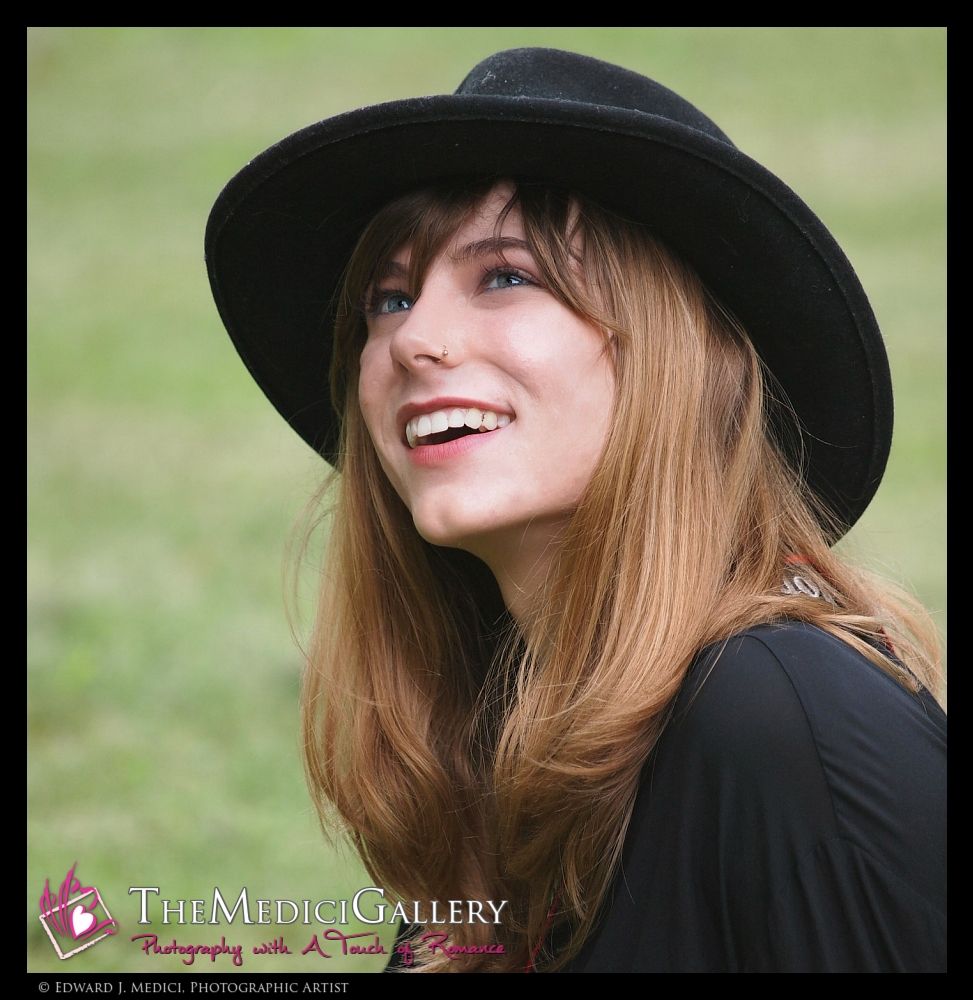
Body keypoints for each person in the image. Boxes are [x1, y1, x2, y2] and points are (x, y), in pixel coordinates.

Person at [205, 48, 946, 973]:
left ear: (679, 358)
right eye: (387, 300)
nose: (412, 341)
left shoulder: (779, 719)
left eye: (506, 276)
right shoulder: (500, 748)